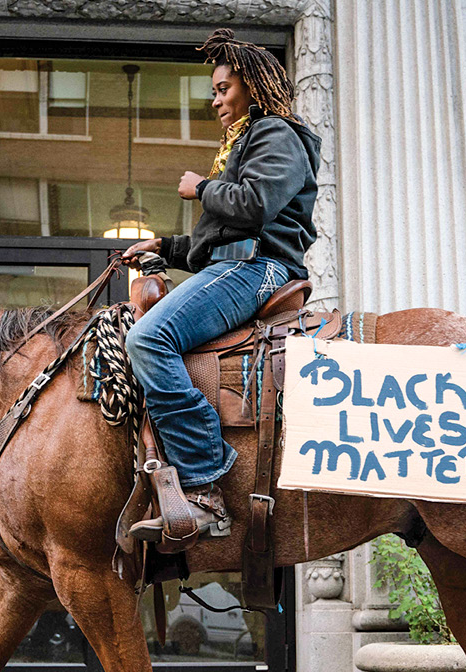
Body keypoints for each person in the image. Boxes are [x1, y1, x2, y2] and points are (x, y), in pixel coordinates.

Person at [123, 28, 321, 543]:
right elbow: (218, 240)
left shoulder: (278, 133)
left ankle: (204, 484)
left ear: (252, 86)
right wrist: (162, 248)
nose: (215, 101)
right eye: (213, 92)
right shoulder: (247, 141)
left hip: (258, 270)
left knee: (147, 339)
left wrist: (203, 188)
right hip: (234, 265)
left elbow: (255, 206)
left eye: (223, 89)